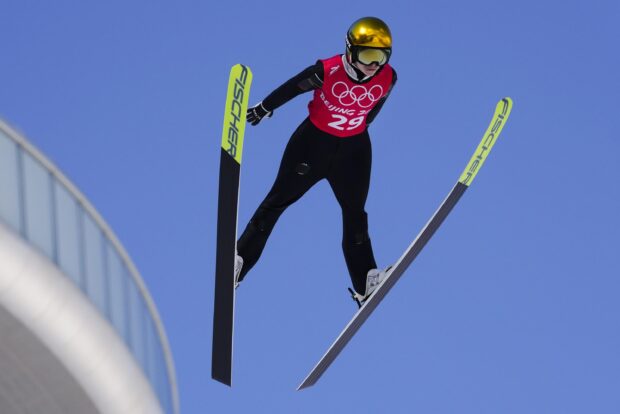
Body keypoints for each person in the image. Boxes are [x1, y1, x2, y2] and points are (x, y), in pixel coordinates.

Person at [236, 16, 397, 305]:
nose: (374, 65)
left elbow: (375, 106)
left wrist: (358, 126)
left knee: (356, 214)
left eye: (381, 57)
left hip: (354, 151)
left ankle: (365, 281)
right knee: (276, 203)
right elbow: (292, 88)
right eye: (368, 55)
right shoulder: (327, 70)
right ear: (351, 50)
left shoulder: (388, 78)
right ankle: (238, 263)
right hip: (313, 145)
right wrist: (264, 108)